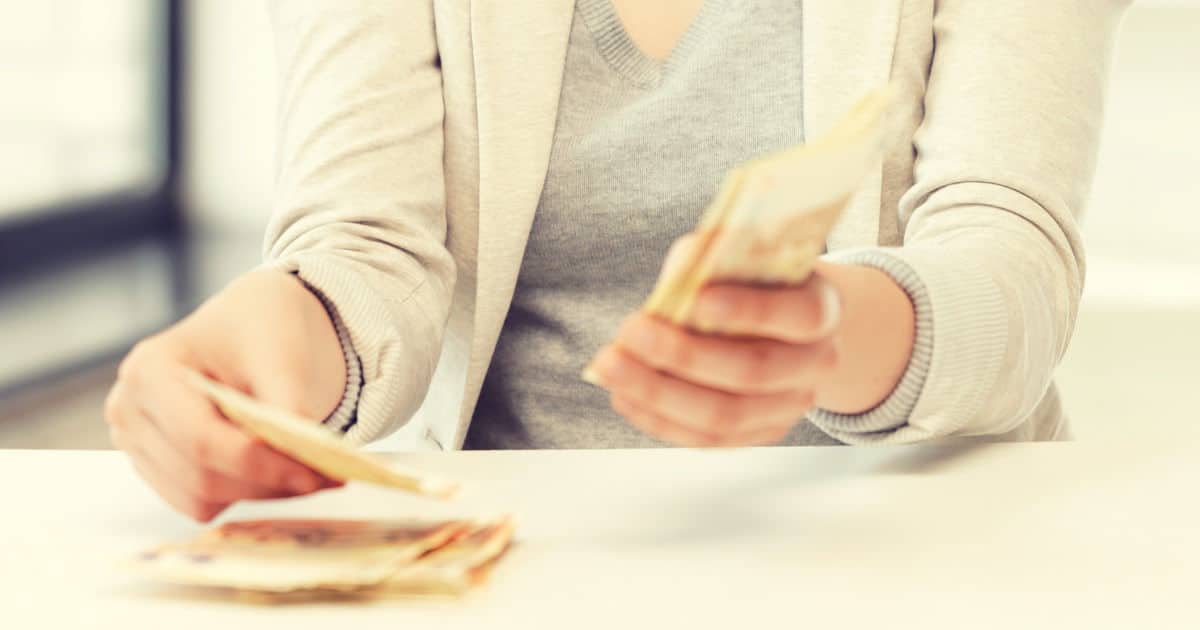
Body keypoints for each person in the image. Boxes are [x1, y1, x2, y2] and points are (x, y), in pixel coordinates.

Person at [105, 0, 1131, 521]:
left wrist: (832, 336)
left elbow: (1013, 262)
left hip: (917, 558)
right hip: (527, 568)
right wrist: (268, 341)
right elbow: (363, 248)